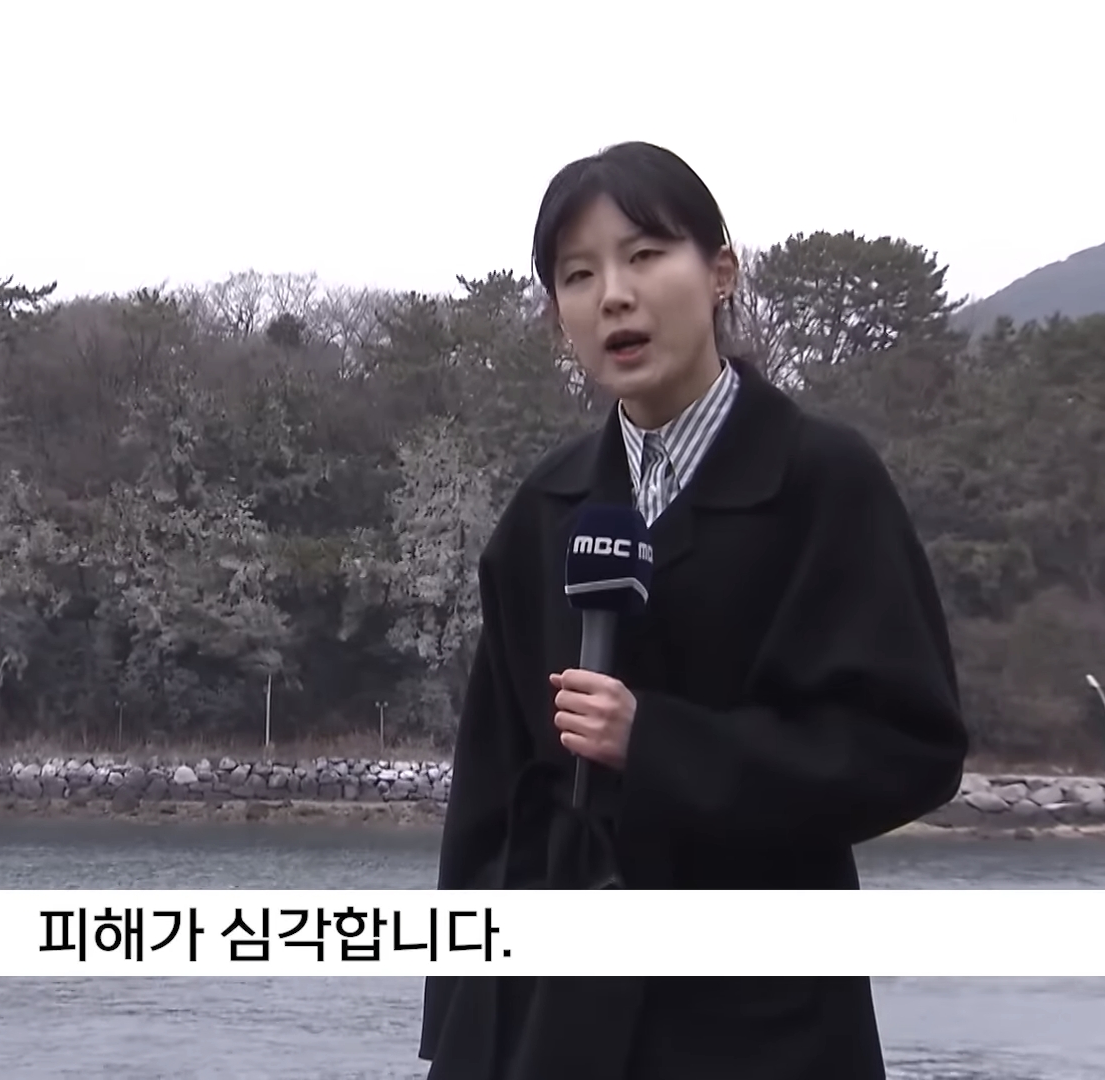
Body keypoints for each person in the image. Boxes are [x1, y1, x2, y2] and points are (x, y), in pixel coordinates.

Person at [416, 141, 971, 1080]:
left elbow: (908, 749)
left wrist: (659, 744)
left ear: (720, 272)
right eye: (578, 275)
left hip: (764, 1021)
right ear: (557, 318)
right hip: (557, 1022)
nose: (614, 296)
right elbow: (488, 804)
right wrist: (464, 1035)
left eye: (644, 255)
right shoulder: (545, 511)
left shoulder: (822, 482)